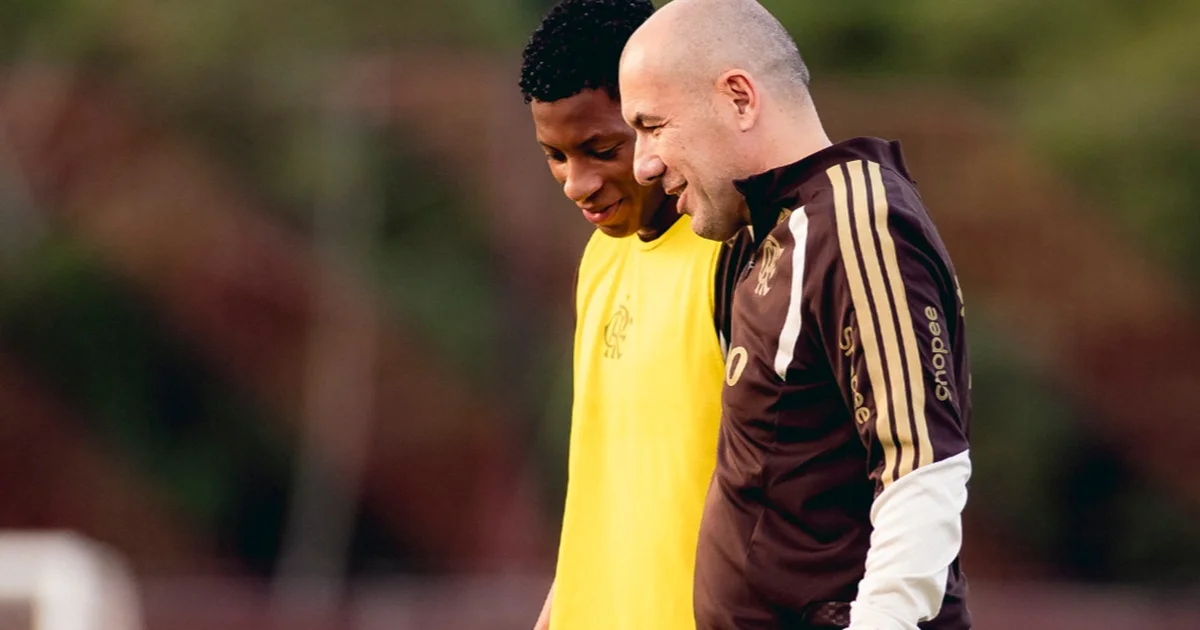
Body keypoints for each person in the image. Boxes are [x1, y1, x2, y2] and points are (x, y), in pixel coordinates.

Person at [617, 1, 974, 629]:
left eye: (653, 125)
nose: (642, 162)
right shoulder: (758, 235)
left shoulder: (858, 222)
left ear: (738, 98)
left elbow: (923, 469)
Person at [518, 1, 751, 628]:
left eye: (600, 148)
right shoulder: (599, 259)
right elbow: (606, 479)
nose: (576, 182)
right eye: (556, 156)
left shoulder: (742, 258)